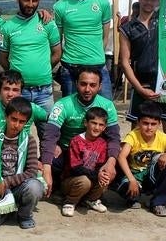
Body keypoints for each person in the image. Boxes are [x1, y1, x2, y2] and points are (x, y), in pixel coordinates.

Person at [41, 67, 120, 197]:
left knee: (118, 156)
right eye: (83, 84)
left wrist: (111, 162)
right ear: (76, 83)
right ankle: (57, 188)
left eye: (93, 85)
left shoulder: (107, 105)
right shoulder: (62, 105)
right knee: (51, 159)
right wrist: (47, 169)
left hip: (95, 152)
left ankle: (94, 195)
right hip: (66, 150)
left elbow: (114, 137)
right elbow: (49, 136)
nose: (87, 89)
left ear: (100, 86)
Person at [0, 0, 61, 139]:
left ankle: (47, 164)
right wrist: (17, 78)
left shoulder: (47, 22)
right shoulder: (7, 27)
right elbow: (3, 59)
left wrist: (43, 69)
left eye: (35, 0)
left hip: (44, 91)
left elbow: (57, 53)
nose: (30, 4)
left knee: (48, 136)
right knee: (16, 136)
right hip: (19, 93)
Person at [119, 0, 166, 137]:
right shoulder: (128, 28)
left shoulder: (165, 22)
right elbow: (124, 62)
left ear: (158, 1)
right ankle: (137, 161)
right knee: (138, 131)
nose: (149, 2)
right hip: (142, 83)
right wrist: (139, 88)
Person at [0, 96, 44, 231]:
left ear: (26, 123)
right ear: (6, 116)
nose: (16, 125)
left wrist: (7, 183)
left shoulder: (29, 140)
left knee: (35, 186)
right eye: (14, 119)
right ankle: (7, 210)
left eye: (22, 122)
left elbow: (32, 171)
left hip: (17, 187)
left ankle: (24, 215)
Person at [114, 101, 166, 217]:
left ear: (159, 124)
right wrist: (131, 179)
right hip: (135, 174)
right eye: (145, 123)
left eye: (153, 124)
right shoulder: (133, 135)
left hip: (152, 175)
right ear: (138, 122)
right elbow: (121, 156)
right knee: (128, 190)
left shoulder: (162, 137)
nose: (149, 127)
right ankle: (133, 197)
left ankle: (158, 203)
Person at [53, 0, 113, 100]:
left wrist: (95, 55)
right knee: (72, 116)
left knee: (105, 113)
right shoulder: (60, 6)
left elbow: (104, 37)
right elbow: (57, 40)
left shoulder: (102, 3)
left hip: (98, 66)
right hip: (71, 68)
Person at [60, 107, 109, 217]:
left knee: (106, 176)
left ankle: (90, 199)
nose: (97, 127)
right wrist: (97, 175)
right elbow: (75, 168)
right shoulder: (76, 141)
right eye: (93, 123)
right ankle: (70, 201)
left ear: (104, 127)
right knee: (84, 181)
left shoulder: (102, 143)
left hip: (91, 177)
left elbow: (100, 164)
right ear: (86, 123)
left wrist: (101, 175)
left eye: (101, 125)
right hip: (73, 180)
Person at [0, 70, 47, 148]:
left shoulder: (31, 108)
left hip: (23, 153)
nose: (10, 94)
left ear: (21, 92)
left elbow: (53, 121)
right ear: (0, 90)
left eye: (15, 90)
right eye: (6, 89)